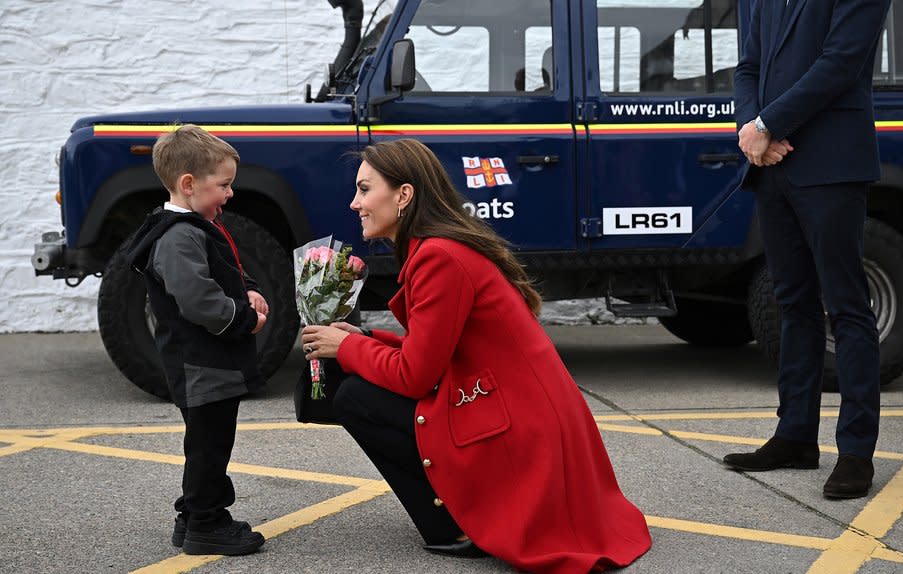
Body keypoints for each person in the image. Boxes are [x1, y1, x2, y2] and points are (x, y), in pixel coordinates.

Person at [300, 139, 651, 572]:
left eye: (364, 189)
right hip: (521, 412)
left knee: (356, 397)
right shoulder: (439, 248)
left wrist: (351, 347)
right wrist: (364, 337)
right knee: (353, 380)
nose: (355, 203)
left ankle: (450, 525)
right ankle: (454, 512)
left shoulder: (439, 257)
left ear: (404, 195)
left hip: (520, 430)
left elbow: (415, 377)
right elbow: (433, 352)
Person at [728, 0, 892, 502]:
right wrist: (752, 129)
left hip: (831, 168)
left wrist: (769, 123)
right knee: (791, 303)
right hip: (776, 168)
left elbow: (840, 64)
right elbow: (747, 68)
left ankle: (856, 452)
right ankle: (795, 434)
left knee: (847, 308)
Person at [125, 125, 269, 556]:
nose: (229, 194)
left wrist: (246, 287)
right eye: (223, 185)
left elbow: (219, 267)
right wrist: (244, 319)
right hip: (202, 364)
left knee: (207, 443)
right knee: (209, 446)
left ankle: (192, 517)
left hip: (208, 364)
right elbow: (199, 299)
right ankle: (207, 524)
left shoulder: (193, 224)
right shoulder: (177, 235)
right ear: (188, 184)